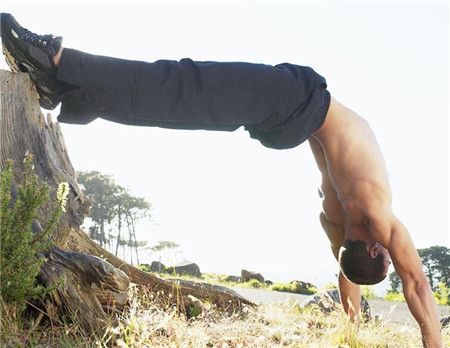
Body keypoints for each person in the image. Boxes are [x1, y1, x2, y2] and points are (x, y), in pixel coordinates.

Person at [0, 13, 442, 347]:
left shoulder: (364, 216)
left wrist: (412, 333)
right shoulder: (343, 227)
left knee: (185, 86)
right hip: (291, 118)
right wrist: (359, 329)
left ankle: (55, 62)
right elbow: (371, 279)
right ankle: (68, 87)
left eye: (384, 256)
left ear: (372, 247)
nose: (391, 253)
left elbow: (408, 284)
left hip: (297, 103)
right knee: (181, 106)